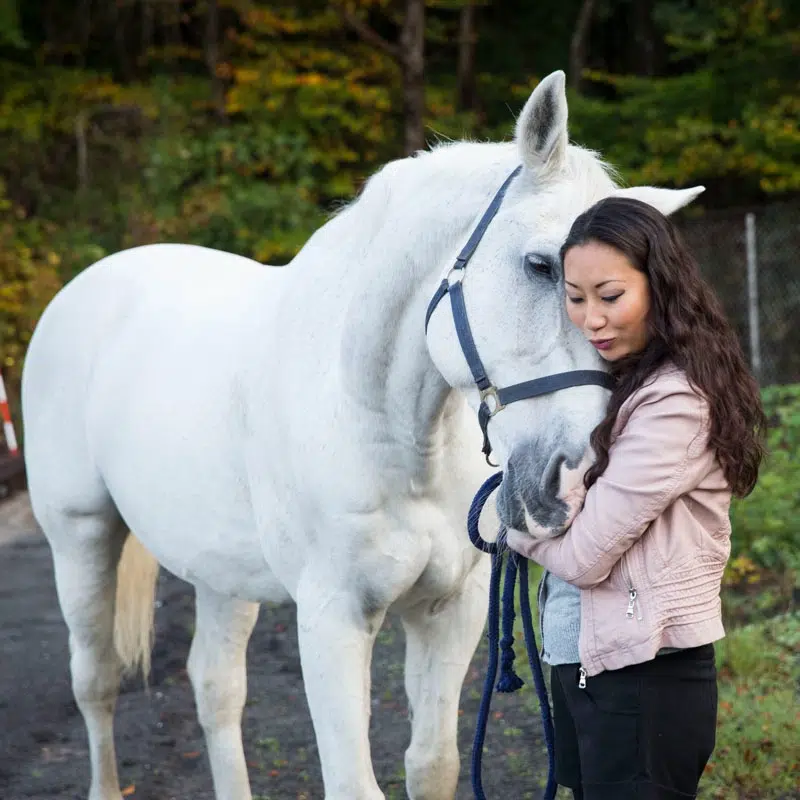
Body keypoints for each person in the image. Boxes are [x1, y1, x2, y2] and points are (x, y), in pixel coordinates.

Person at [505, 197, 766, 800]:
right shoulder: (622, 385)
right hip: (591, 660)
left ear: (660, 286)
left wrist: (513, 521)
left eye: (610, 295)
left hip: (646, 678)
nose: (591, 318)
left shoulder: (675, 402)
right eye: (575, 297)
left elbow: (584, 558)